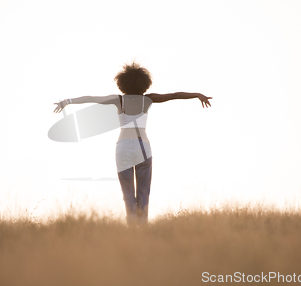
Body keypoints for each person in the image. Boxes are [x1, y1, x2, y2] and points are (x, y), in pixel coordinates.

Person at [53, 61, 212, 225]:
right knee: (144, 191)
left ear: (122, 83)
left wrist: (68, 101)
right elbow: (175, 95)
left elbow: (92, 98)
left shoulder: (118, 100)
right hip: (143, 146)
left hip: (123, 147)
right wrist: (197, 94)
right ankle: (142, 227)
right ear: (144, 84)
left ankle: (132, 226)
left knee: (127, 192)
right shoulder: (148, 100)